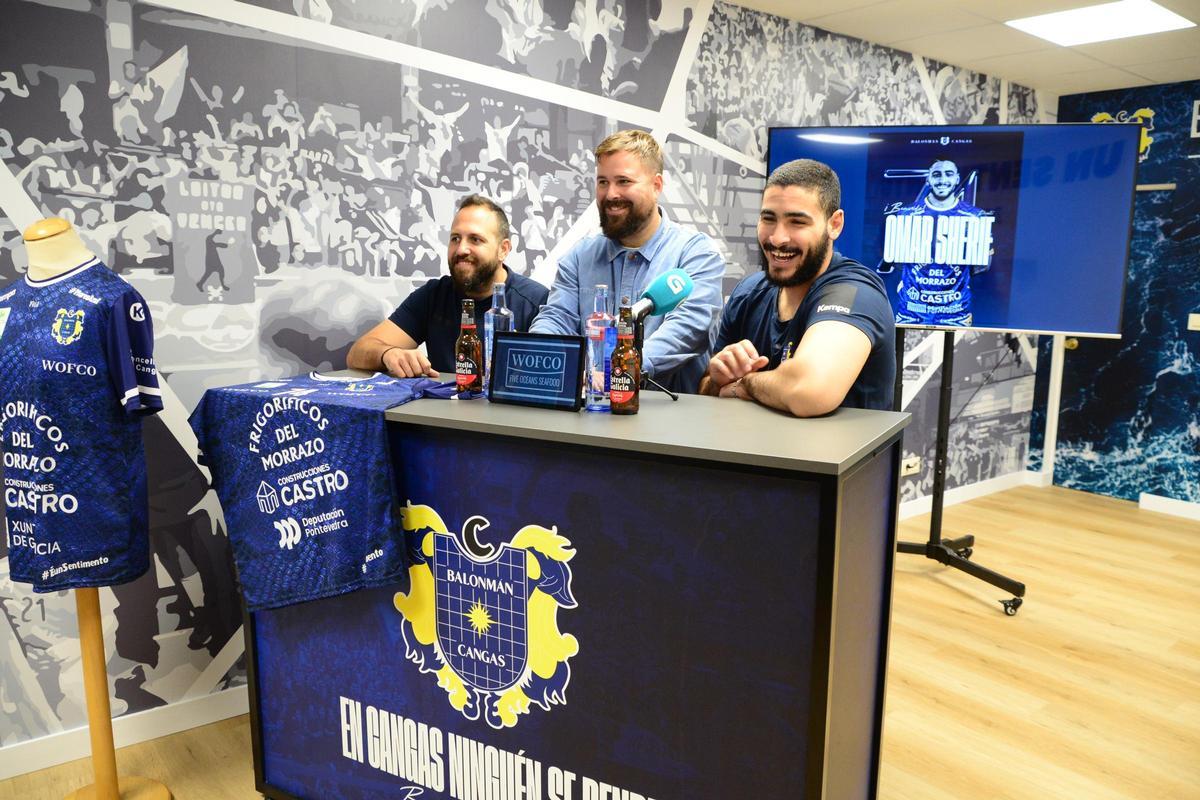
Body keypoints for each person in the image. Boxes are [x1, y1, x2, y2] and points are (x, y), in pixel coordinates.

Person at [529, 129, 724, 392]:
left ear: (656, 186)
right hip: (589, 418)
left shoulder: (696, 253)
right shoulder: (579, 256)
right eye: (602, 182)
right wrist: (545, 358)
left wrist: (617, 370)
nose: (610, 195)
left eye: (623, 181)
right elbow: (555, 318)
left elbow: (687, 329)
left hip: (667, 423)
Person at [701, 159, 895, 415]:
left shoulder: (855, 292)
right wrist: (717, 379)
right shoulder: (749, 292)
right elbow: (704, 390)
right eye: (768, 219)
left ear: (834, 224)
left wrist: (743, 385)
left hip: (828, 455)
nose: (778, 238)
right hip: (753, 451)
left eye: (797, 222)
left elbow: (809, 390)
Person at [347, 194, 547, 377]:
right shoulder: (433, 295)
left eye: (475, 239)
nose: (461, 249)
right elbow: (357, 353)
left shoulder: (537, 303)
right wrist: (388, 354)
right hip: (441, 415)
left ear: (503, 250)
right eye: (455, 238)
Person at [880, 158, 992, 326]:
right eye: (937, 174)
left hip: (956, 314)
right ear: (928, 179)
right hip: (911, 311)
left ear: (956, 178)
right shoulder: (906, 215)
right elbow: (897, 262)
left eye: (948, 174)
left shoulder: (976, 217)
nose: (942, 180)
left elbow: (981, 267)